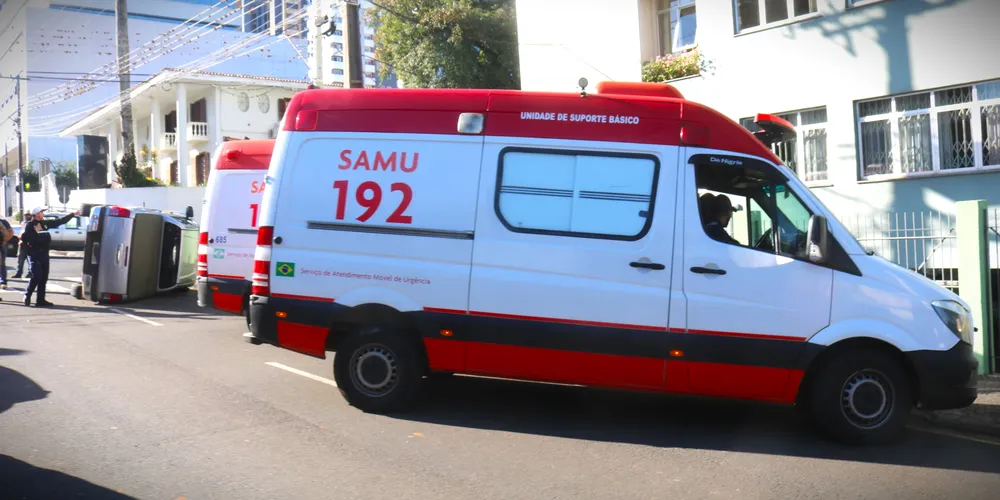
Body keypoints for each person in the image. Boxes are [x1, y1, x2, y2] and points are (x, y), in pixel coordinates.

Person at [20, 207, 79, 307]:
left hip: (44, 254)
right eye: (42, 212)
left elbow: (59, 221)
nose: (43, 213)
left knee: (43, 278)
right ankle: (27, 295)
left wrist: (72, 214)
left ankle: (40, 300)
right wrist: (35, 231)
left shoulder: (44, 223)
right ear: (37, 214)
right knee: (36, 276)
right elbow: (25, 239)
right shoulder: (29, 225)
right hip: (34, 254)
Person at [12, 211, 32, 280]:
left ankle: (30, 273)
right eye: (26, 215)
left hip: (29, 243)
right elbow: (21, 231)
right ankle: (19, 273)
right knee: (20, 259)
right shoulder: (23, 223)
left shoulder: (32, 223)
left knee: (30, 260)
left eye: (28, 215)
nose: (27, 216)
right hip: (22, 243)